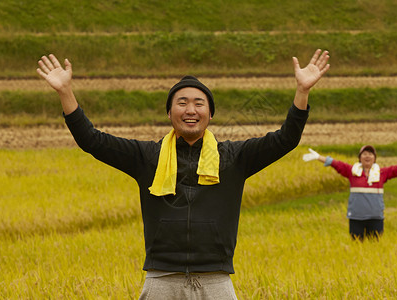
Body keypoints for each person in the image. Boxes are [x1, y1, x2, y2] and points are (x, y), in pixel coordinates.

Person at [37, 49, 330, 299]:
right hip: (161, 280)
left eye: (199, 103)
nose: (191, 109)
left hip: (216, 280)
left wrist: (302, 91)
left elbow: (286, 139)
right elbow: (92, 140)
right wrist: (65, 91)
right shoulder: (147, 157)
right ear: (170, 113)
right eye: (182, 102)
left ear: (210, 114)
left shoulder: (234, 158)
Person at [302, 145, 397, 241]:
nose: (367, 156)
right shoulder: (352, 171)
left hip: (375, 218)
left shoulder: (382, 173)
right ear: (359, 158)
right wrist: (318, 157)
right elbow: (337, 164)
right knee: (357, 247)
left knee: (375, 248)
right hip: (356, 217)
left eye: (370, 154)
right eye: (364, 154)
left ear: (374, 158)